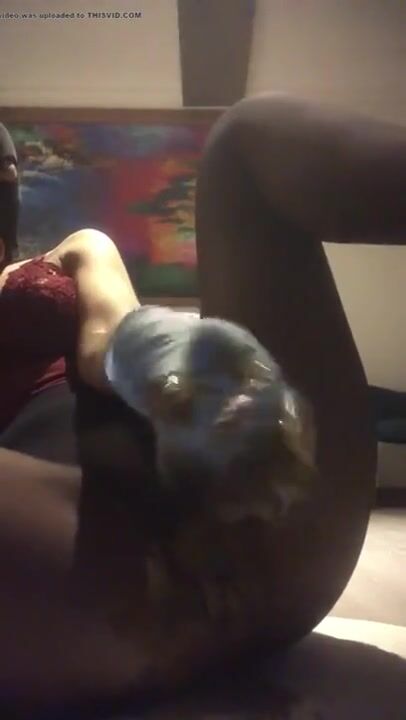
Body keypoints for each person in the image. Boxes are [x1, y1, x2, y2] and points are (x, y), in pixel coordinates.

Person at [3, 88, 401, 715]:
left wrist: (178, 372)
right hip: (75, 563)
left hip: (246, 522)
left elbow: (109, 338)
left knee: (248, 137)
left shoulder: (73, 250)